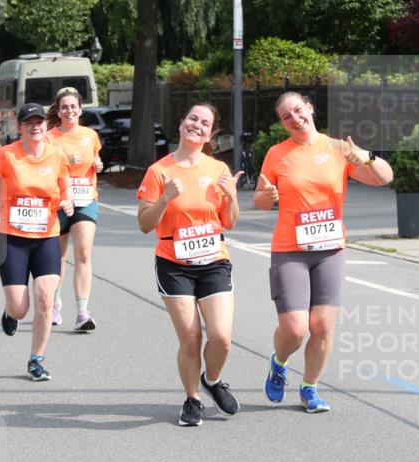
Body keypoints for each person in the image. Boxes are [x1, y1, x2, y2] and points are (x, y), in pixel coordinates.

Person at [254, 91, 393, 414]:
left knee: (324, 326)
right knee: (295, 328)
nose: (295, 118)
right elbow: (261, 201)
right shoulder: (277, 154)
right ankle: (279, 362)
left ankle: (310, 388)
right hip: (290, 249)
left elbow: (384, 178)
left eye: (298, 110)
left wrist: (364, 155)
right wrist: (267, 194)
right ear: (282, 123)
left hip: (330, 249)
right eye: (287, 116)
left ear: (310, 109)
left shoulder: (339, 149)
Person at [137, 103, 244, 427]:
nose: (197, 125)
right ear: (181, 123)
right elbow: (144, 223)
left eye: (204, 122)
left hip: (213, 261)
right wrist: (165, 198)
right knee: (191, 337)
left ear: (210, 133)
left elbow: (230, 221)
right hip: (174, 263)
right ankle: (192, 398)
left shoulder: (218, 169)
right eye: (192, 118)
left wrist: (233, 196)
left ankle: (212, 379)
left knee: (222, 337)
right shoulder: (159, 171)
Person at [0, 102, 74, 382]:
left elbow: (64, 184)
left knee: (45, 299)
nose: (35, 126)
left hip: (46, 236)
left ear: (46, 126)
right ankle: (10, 313)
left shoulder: (56, 155)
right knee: (20, 308)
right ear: (19, 127)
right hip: (11, 238)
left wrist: (66, 201)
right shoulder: (7, 156)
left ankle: (36, 359)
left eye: (39, 122)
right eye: (29, 122)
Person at [45, 87, 103, 331]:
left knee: (84, 254)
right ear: (58, 111)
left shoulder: (90, 135)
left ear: (80, 109)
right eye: (64, 107)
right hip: (58, 202)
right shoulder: (49, 137)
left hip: (86, 200)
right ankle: (55, 304)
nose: (69, 110)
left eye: (73, 106)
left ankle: (82, 311)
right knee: (58, 257)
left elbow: (95, 160)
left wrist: (98, 164)